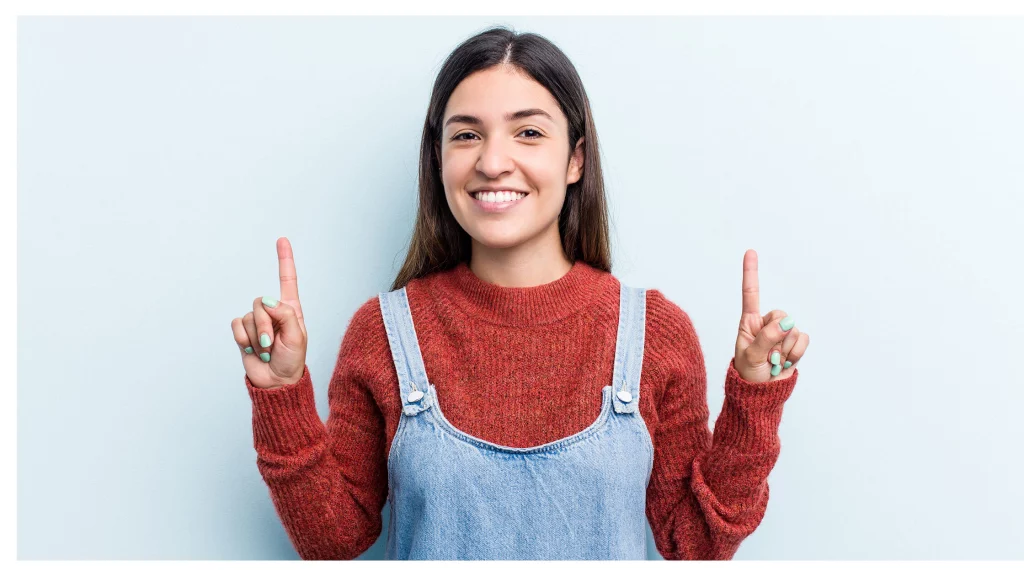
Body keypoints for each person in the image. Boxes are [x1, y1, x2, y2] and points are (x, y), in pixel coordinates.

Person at [229, 25, 810, 561]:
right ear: (439, 157)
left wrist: (754, 401)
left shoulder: (654, 333)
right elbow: (334, 539)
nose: (492, 161)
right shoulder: (383, 334)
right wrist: (280, 392)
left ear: (576, 159)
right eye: (466, 135)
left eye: (528, 132)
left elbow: (694, 545)